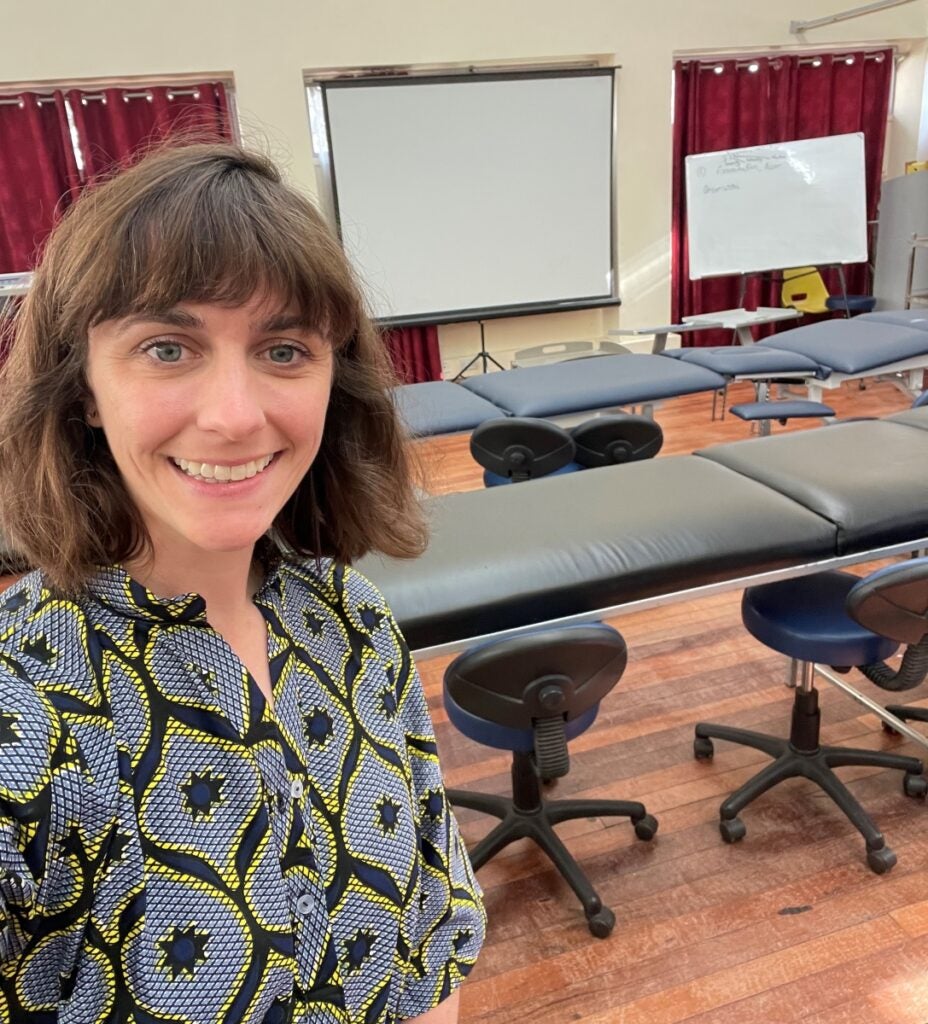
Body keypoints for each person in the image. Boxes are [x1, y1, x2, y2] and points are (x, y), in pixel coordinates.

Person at [0, 143, 485, 1024]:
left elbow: (429, 957)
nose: (234, 415)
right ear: (85, 391)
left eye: (285, 350)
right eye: (166, 347)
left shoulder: (353, 622)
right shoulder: (22, 716)